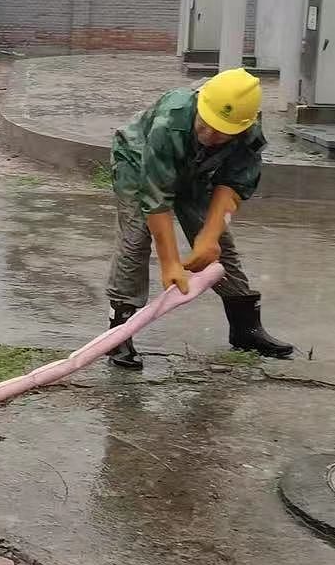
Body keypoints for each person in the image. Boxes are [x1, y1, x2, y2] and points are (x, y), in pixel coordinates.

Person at [104, 68, 294, 369]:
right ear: (201, 105)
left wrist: (208, 236)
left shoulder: (248, 129)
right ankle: (119, 332)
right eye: (206, 125)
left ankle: (246, 327)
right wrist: (169, 262)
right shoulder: (172, 117)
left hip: (195, 171)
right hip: (138, 163)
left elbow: (233, 184)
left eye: (222, 132)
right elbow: (156, 198)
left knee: (219, 245)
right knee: (136, 239)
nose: (210, 135)